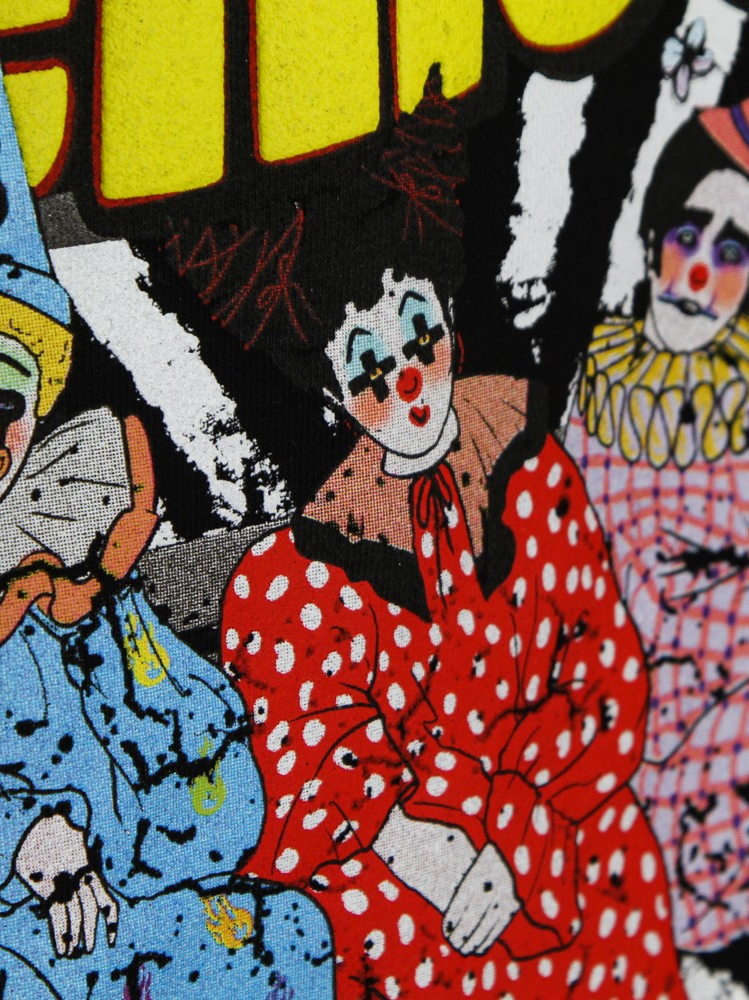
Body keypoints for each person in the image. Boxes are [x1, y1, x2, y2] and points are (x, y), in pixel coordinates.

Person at [0, 29, 332, 999]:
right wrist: (13, 839)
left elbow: (207, 773)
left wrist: (112, 840)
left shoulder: (71, 573)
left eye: (1, 399)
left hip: (101, 911)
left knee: (285, 939)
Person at [219, 75, 687, 996]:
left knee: (614, 869)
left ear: (446, 315)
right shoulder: (297, 576)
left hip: (550, 811)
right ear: (330, 389)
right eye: (368, 366)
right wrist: (432, 858)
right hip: (407, 858)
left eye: (416, 332)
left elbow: (601, 671)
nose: (407, 380)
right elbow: (313, 761)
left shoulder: (526, 459)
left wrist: (515, 844)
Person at [563, 82, 749, 996]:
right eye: (687, 236)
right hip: (616, 725)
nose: (699, 275)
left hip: (748, 729)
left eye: (733, 252)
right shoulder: (599, 385)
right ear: (654, 234)